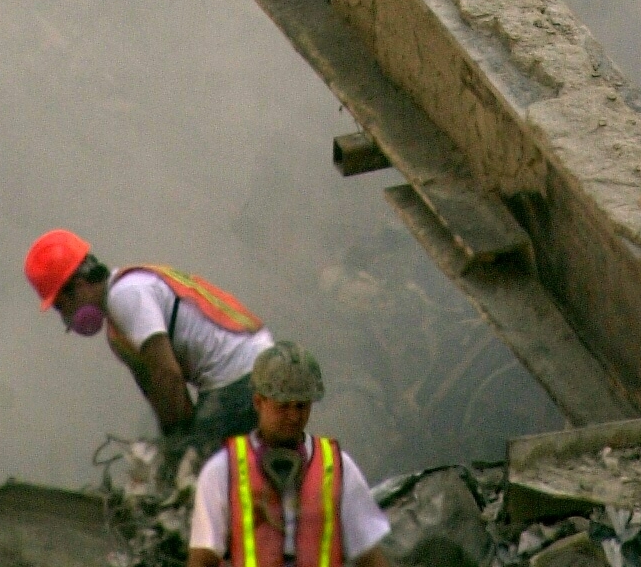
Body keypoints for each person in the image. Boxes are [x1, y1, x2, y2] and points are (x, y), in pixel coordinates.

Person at [24, 229, 273, 454]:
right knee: (194, 458)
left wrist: (182, 447)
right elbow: (161, 395)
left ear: (79, 286)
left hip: (242, 373)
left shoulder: (127, 295)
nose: (65, 318)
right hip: (246, 369)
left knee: (206, 466)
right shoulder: (118, 332)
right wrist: (173, 441)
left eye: (60, 307)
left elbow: (168, 376)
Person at [188, 342, 391, 567]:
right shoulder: (222, 471)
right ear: (259, 402)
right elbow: (202, 560)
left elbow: (371, 557)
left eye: (301, 406)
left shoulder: (338, 467)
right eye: (283, 406)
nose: (294, 417)